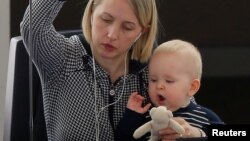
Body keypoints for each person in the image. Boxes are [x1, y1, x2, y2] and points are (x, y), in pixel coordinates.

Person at [115, 39, 224, 141]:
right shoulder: (146, 116)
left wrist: (198, 133)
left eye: (169, 81)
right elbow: (121, 138)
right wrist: (131, 115)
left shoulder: (204, 115)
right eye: (153, 80)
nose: (159, 86)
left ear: (192, 87)